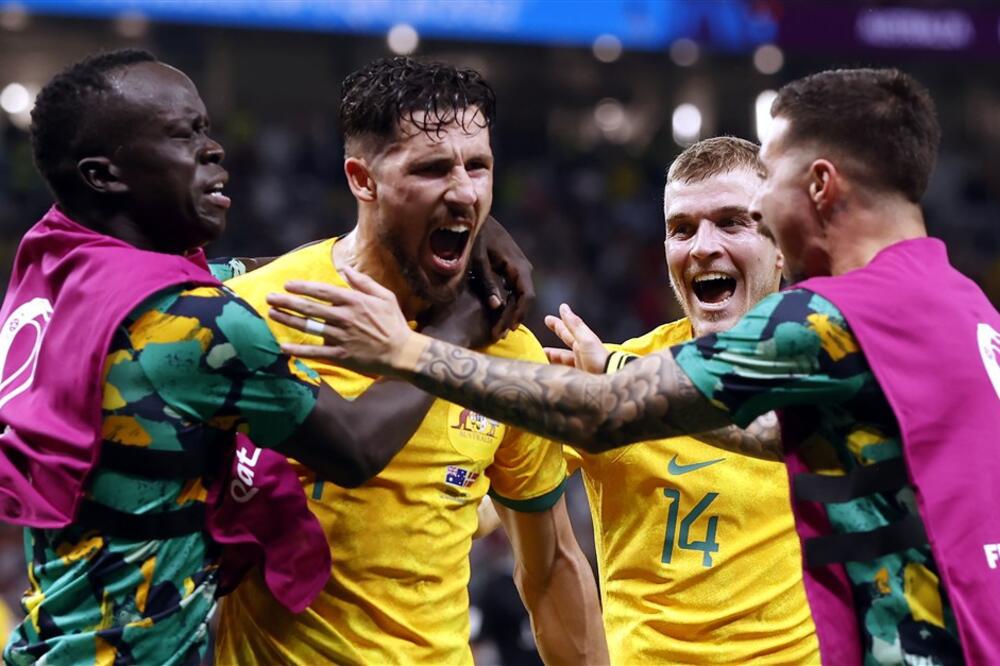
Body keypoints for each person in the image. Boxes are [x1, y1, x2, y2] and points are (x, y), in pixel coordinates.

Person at [271, 68, 1000, 664]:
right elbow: (772, 433)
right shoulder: (963, 312)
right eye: (681, 228)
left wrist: (409, 350)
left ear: (820, 186)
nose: (709, 244)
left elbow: (602, 412)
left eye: (756, 201)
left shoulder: (838, 320)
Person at [0, 50, 529, 666]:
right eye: (183, 135)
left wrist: (446, 211)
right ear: (103, 175)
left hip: (50, 640)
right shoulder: (195, 326)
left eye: (204, 128)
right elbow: (355, 447)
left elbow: (233, 275)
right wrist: (458, 325)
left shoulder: (59, 273)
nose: (214, 149)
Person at [216, 57, 607, 665]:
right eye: (432, 168)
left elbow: (552, 564)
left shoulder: (508, 347)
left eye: (478, 166)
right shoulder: (255, 313)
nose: (465, 191)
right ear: (362, 179)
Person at [536, 136, 818, 663]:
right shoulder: (603, 377)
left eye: (731, 222)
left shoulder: (831, 367)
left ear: (781, 242)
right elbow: (484, 501)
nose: (702, 247)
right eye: (681, 229)